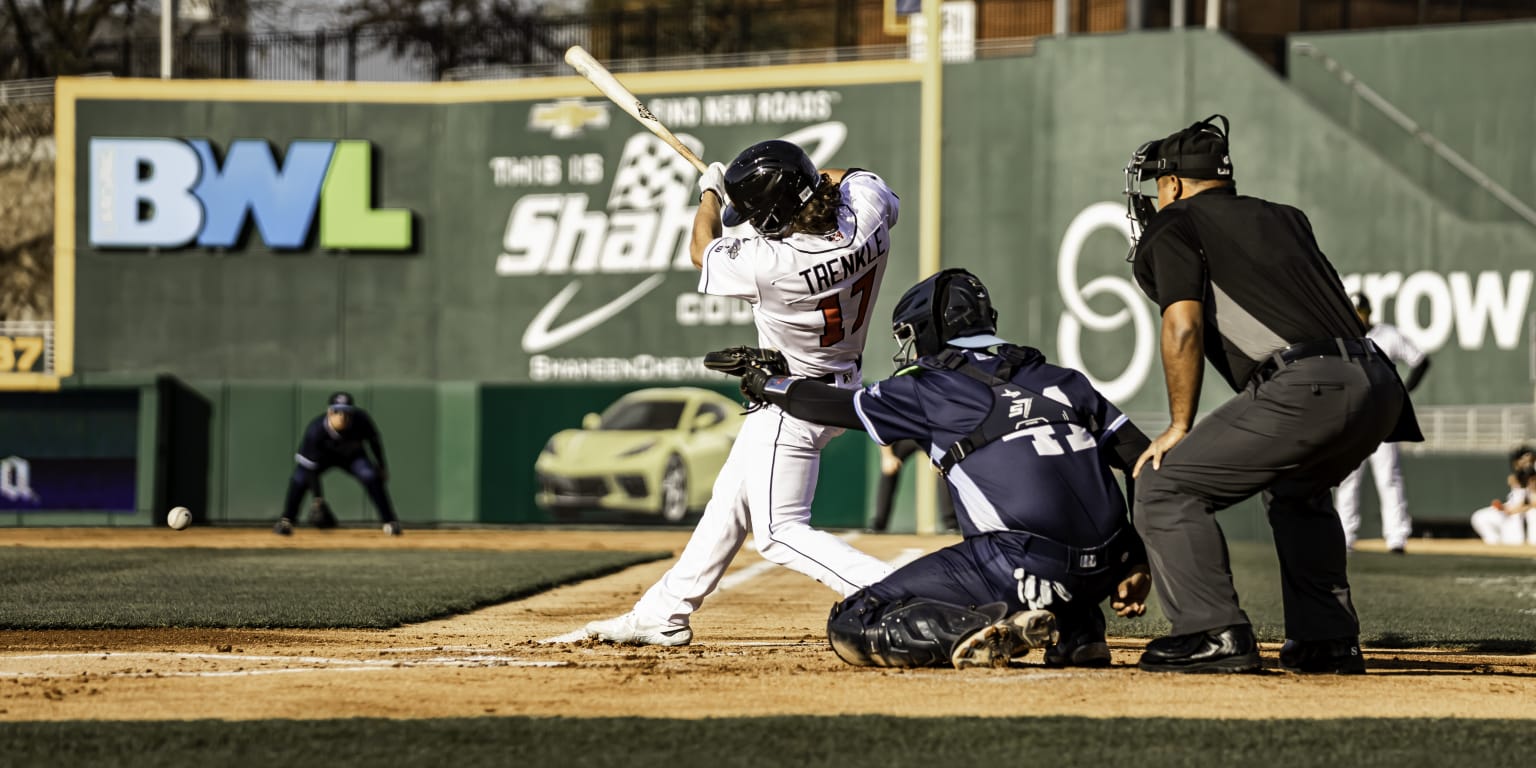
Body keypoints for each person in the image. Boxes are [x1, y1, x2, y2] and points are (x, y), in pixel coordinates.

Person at [732, 269, 1153, 668]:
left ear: (929, 330)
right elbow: (1144, 461)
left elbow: (837, 407)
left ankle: (990, 628)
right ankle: (1079, 628)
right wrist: (1137, 558)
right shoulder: (1062, 378)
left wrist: (768, 384)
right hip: (1107, 572)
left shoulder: (930, 383)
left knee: (855, 618)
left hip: (1020, 566)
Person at [1121, 115, 1421, 674]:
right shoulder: (1287, 217)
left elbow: (1182, 326)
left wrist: (1178, 425)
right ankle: (1327, 640)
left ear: (1175, 183)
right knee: (1298, 489)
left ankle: (1211, 632)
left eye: (1156, 184)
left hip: (1310, 382)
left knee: (1164, 483)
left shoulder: (1176, 222)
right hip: (1378, 382)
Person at [583, 139, 900, 646]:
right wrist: (785, 181)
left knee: (778, 533)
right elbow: (842, 176)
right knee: (730, 498)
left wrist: (710, 193)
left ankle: (904, 592)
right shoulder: (867, 208)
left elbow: (700, 249)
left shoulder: (770, 261)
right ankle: (663, 612)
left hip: (792, 398)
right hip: (838, 385)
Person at [1334, 293, 1431, 554]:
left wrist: (1403, 391)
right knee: (1348, 479)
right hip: (1353, 415)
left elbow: (1421, 360)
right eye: (1354, 312)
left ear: (1369, 312)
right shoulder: (1342, 338)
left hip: (1383, 416)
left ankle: (1396, 537)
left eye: (1361, 311)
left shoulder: (1387, 335)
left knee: (1389, 477)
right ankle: (1344, 536)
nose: (1358, 317)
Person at [274, 392, 401, 536]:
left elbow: (374, 441)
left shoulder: (361, 420)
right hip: (323, 459)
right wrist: (318, 500)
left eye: (346, 412)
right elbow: (311, 468)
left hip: (353, 458)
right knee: (300, 477)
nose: (342, 416)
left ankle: (390, 521)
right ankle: (287, 520)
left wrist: (381, 466)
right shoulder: (315, 431)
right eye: (337, 411)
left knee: (370, 476)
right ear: (329, 412)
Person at [870, 439, 958, 533]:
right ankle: (878, 524)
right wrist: (887, 456)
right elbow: (883, 432)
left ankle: (951, 525)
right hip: (907, 437)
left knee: (943, 467)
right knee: (890, 466)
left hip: (930, 436)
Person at [1470, 445, 1535, 546]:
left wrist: (1513, 510)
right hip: (1511, 513)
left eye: (1528, 460)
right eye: (1521, 460)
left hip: (1522, 516)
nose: (1525, 463)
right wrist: (1504, 507)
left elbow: (1533, 503)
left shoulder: (1532, 478)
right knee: (1480, 517)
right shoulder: (1516, 478)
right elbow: (1519, 501)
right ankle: (1495, 545)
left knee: (1517, 539)